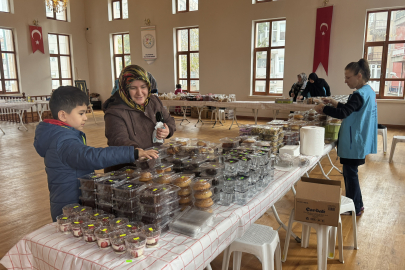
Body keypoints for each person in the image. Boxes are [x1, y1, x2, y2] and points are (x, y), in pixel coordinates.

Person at [34, 86, 158, 221]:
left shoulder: (58, 134)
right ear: (63, 115)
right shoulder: (63, 141)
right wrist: (132, 153)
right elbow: (91, 156)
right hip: (70, 206)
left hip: (72, 199)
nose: (86, 118)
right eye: (81, 113)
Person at [314, 59, 377, 216]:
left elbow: (344, 113)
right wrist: (335, 103)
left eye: (348, 77)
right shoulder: (367, 91)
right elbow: (351, 109)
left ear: (359, 76)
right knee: (350, 173)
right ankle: (357, 204)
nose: (345, 81)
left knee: (350, 175)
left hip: (353, 142)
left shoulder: (358, 95)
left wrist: (324, 108)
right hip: (359, 139)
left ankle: (353, 207)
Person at [103, 64, 176, 154]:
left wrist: (167, 131)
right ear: (124, 88)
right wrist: (138, 152)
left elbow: (169, 121)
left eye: (143, 87)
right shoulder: (114, 112)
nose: (139, 93)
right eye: (133, 88)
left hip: (155, 160)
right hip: (130, 165)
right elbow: (118, 140)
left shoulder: (154, 101)